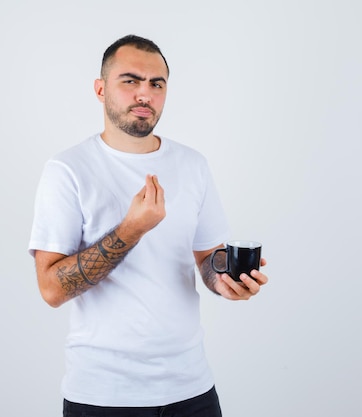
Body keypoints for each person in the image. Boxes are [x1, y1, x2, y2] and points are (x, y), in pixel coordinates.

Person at [28, 34, 269, 417]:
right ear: (100, 88)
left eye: (157, 84)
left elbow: (208, 256)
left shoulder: (192, 165)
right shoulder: (68, 170)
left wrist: (223, 281)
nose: (145, 94)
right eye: (130, 80)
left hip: (192, 388)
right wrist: (131, 230)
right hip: (104, 395)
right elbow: (51, 289)